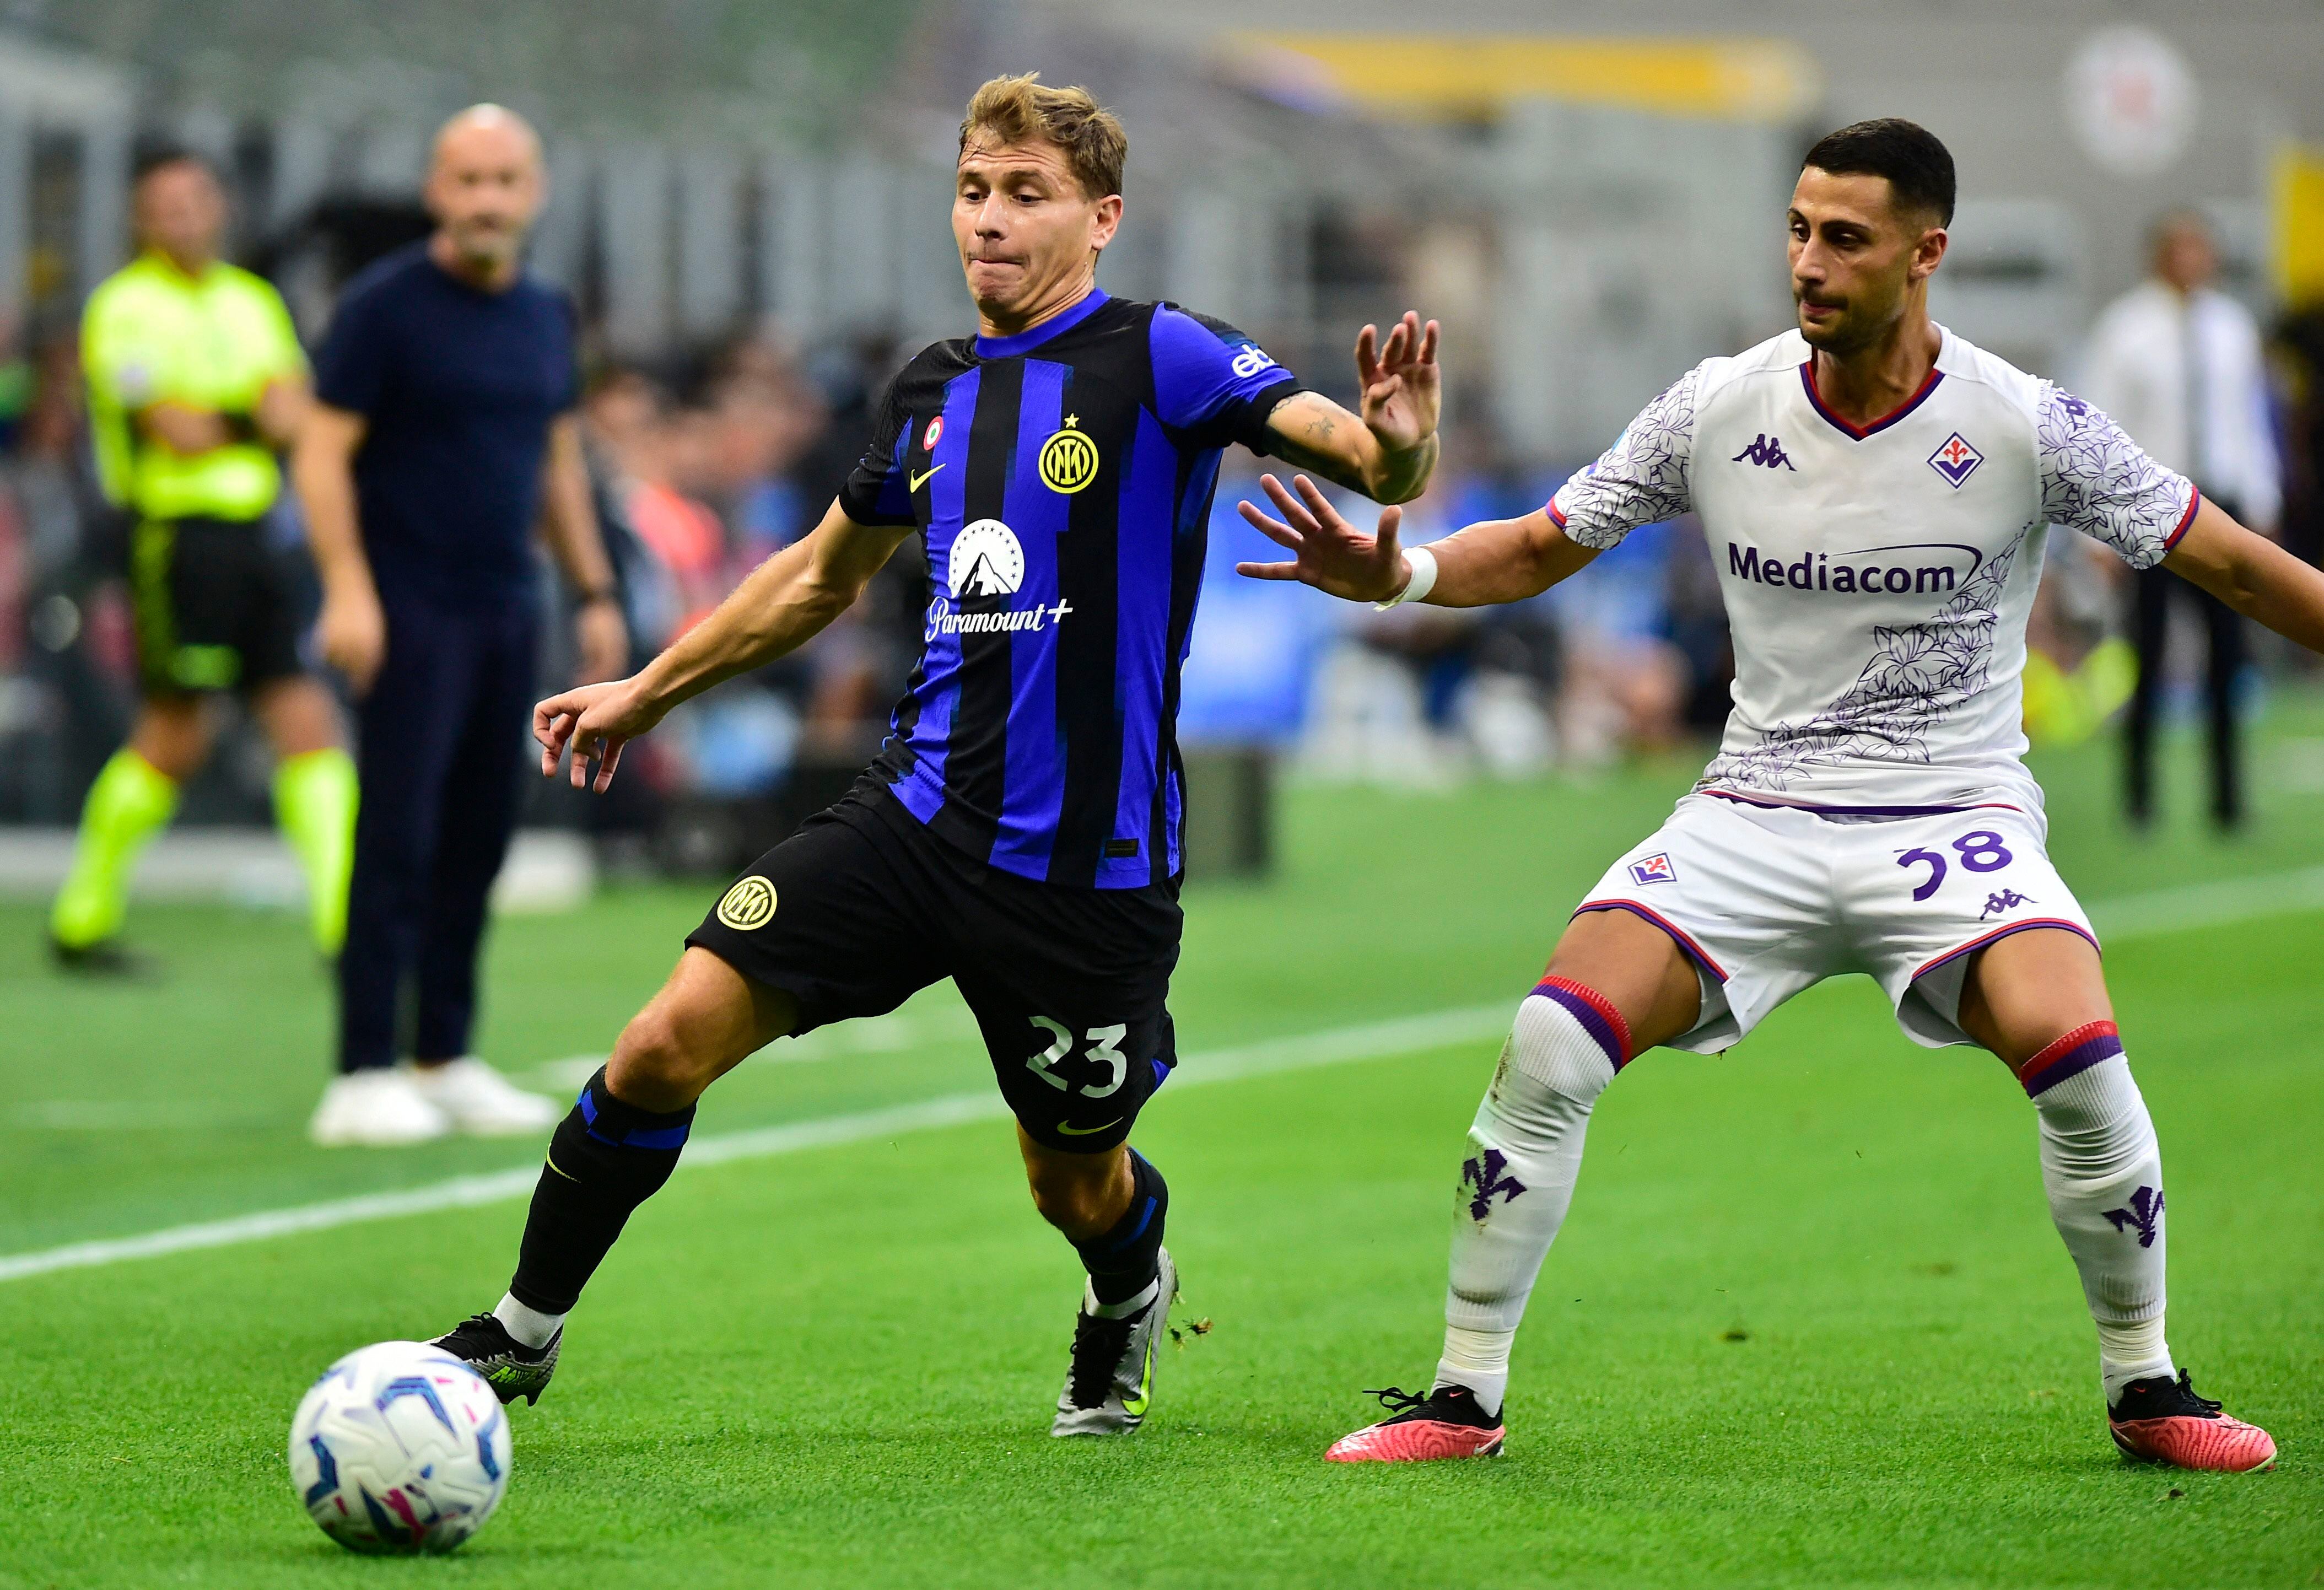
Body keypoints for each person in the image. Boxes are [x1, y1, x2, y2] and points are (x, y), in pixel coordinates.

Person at [1244, 120, 2315, 1474]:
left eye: (1846, 238)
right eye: (1798, 230)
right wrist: (1395, 578)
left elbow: (2229, 562)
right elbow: (1533, 548)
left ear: (1925, 255)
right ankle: (1459, 1398)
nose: (1807, 262)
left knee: (2081, 1057)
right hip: (1752, 813)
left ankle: (2147, 1384)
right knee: (1550, 1041)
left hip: (1950, 817)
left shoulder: (2024, 422)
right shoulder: (1716, 405)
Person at [423, 73, 1442, 1437]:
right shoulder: (931, 393)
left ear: (1102, 218)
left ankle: (1127, 1285)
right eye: (973, 190)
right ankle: (522, 1332)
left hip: (1087, 864)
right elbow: (811, 581)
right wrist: (647, 691)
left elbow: (1351, 451)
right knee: (663, 1041)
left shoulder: (1164, 357)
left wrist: (1395, 448)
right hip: (911, 821)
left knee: (1073, 1185)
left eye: (1027, 195)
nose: (989, 220)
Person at [293, 106, 628, 1147]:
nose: (486, 200)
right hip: (406, 603)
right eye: (467, 180)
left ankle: (441, 1056)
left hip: (504, 604)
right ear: (438, 190)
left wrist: (595, 593)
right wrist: (348, 590)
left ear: (533, 193)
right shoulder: (383, 308)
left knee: (480, 833)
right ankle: (359, 1072)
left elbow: (557, 461)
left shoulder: (543, 312)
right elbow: (317, 453)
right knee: (396, 830)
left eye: (505, 181)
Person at [51, 147, 357, 974]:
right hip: (177, 537)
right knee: (176, 735)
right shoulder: (123, 308)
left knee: (307, 724)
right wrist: (253, 412)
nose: (183, 217)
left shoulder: (252, 301)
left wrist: (242, 416)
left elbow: (296, 416)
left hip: (258, 534)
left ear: (217, 207)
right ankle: (81, 920)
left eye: (195, 201)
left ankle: (345, 930)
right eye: (165, 206)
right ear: (140, 220)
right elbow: (174, 431)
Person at [2082, 212, 2283, 831]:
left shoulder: (2230, 327)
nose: (2193, 259)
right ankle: (2139, 798)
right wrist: (2095, 531)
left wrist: (2262, 497)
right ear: (2158, 255)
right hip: (2149, 511)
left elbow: (2247, 421)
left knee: (2227, 656)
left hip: (2221, 503)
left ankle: (2227, 799)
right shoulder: (2124, 329)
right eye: (2182, 247)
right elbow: (2097, 426)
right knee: (2146, 652)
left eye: (2202, 247)